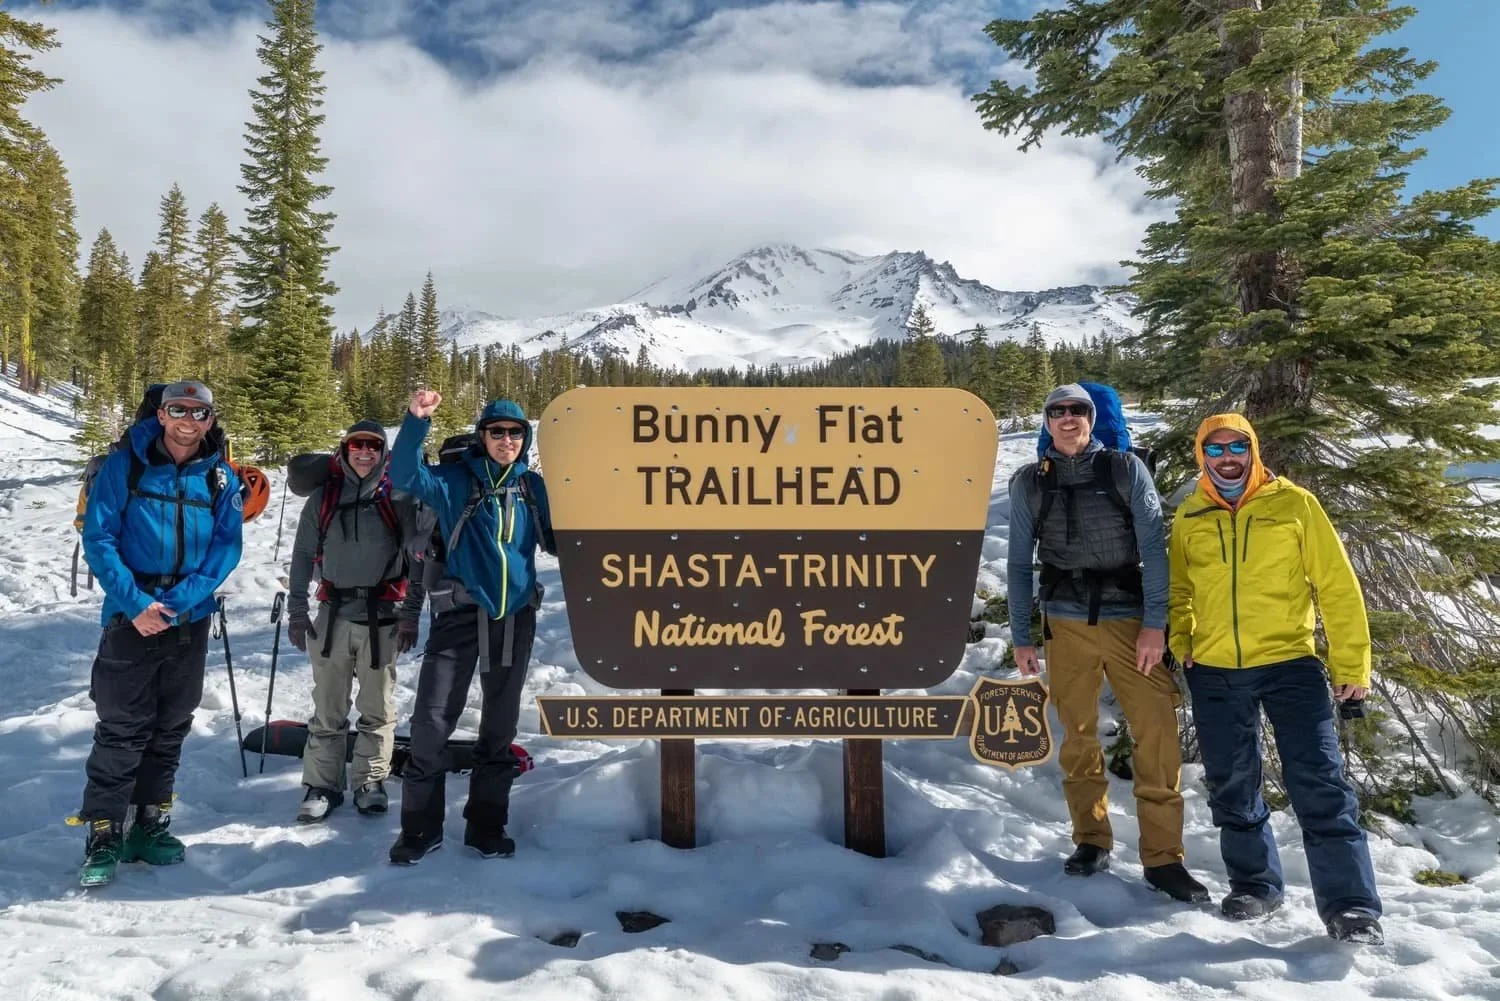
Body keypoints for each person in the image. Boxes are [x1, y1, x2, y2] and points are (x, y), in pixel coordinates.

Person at [1168, 414, 1384, 944]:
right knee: (1233, 781)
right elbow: (1178, 590)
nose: (1226, 457)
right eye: (1214, 449)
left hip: (1290, 663)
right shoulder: (1190, 513)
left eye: (1237, 446)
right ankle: (1255, 885)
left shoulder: (1294, 504)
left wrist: (1352, 664)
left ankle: (1351, 906)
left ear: (1253, 450)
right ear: (1202, 456)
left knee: (1320, 783)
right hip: (1216, 671)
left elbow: (1336, 585)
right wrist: (1183, 642)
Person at [1008, 384, 1208, 902]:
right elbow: (1017, 564)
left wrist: (1155, 624)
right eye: (1058, 411)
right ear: (1046, 422)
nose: (1068, 418)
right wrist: (1022, 635)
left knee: (1157, 734)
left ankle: (1164, 859)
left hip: (1128, 619)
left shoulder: (1124, 470)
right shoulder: (1030, 482)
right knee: (1077, 736)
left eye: (1078, 411)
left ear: (1092, 419)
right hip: (1064, 623)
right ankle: (1090, 839)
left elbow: (1154, 551)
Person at [76, 379, 244, 887]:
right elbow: (99, 536)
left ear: (210, 421)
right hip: (131, 616)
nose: (188, 420)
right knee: (122, 727)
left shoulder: (220, 476)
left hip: (186, 618)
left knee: (170, 725)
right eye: (178, 409)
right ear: (163, 413)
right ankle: (104, 833)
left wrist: (178, 603)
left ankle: (150, 822)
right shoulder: (125, 464)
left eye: (199, 412)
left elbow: (226, 549)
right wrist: (137, 604)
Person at [385, 389, 556, 864]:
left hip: (514, 620)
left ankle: (486, 825)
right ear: (483, 437)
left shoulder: (531, 488)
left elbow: (562, 538)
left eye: (515, 432)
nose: (507, 439)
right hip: (459, 617)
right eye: (497, 431)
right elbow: (403, 473)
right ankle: (419, 831)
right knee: (430, 724)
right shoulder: (456, 480)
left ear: (525, 437)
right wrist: (416, 420)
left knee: (499, 730)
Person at [286, 420, 426, 823]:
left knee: (377, 706)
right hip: (332, 617)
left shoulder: (398, 497)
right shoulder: (324, 498)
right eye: (356, 445)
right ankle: (322, 784)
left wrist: (411, 614)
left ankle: (370, 780)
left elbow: (416, 561)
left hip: (382, 617)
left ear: (384, 452)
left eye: (373, 445)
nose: (364, 452)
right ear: (344, 450)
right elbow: (301, 557)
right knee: (328, 708)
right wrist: (297, 611)